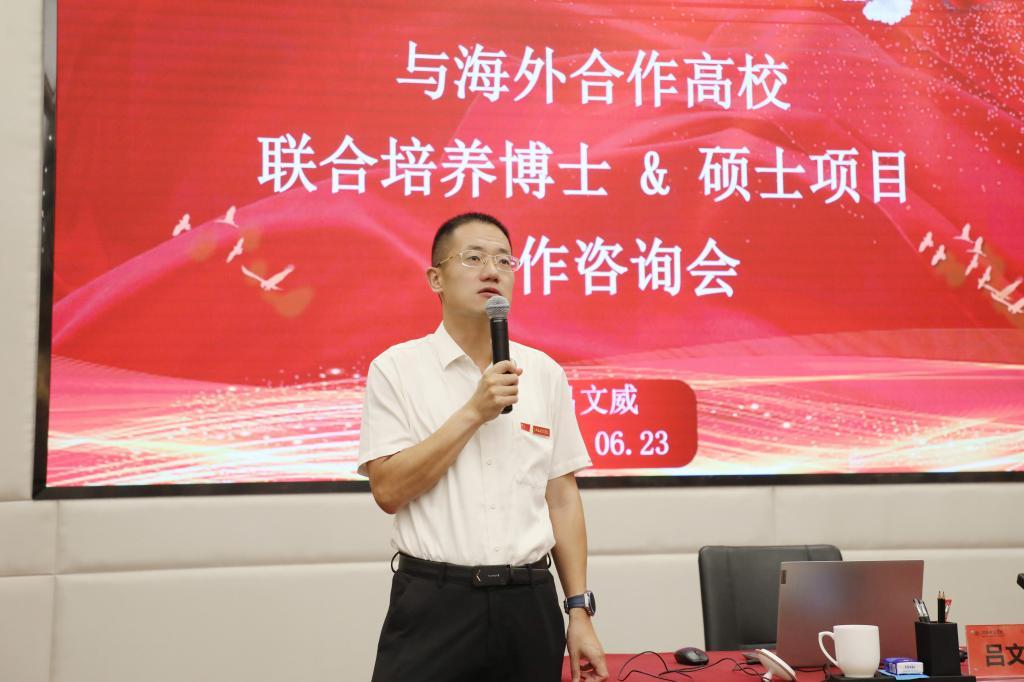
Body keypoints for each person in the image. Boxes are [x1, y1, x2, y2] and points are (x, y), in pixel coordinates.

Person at [358, 212, 608, 682]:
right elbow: (388, 490)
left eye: (504, 260)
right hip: (434, 603)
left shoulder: (544, 372)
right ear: (436, 278)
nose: (492, 270)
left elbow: (561, 497)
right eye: (473, 258)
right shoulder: (396, 369)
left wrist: (579, 609)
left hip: (528, 601)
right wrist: (474, 411)